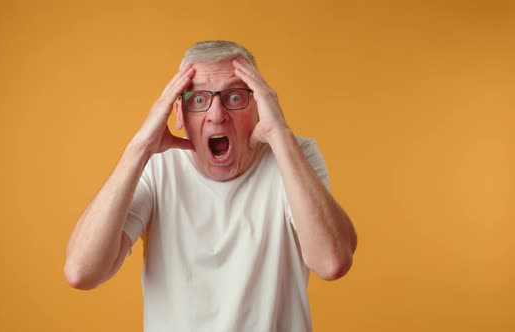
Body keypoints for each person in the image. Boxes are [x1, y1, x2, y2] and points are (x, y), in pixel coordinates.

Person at [64, 40, 357, 331]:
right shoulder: (156, 166)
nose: (217, 115)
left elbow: (332, 262)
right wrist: (139, 148)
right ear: (178, 113)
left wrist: (279, 133)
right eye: (199, 100)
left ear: (259, 106)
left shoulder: (294, 154)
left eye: (234, 97)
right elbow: (82, 272)